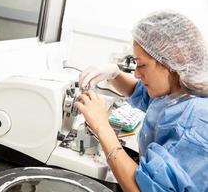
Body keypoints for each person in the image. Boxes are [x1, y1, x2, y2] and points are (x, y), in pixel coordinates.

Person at [75, 10, 208, 192]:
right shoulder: (179, 90)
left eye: (141, 64)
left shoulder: (192, 128)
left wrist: (102, 126)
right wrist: (114, 73)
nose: (136, 73)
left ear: (170, 63)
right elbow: (142, 92)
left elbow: (142, 189)